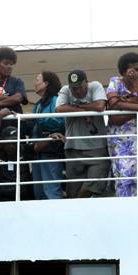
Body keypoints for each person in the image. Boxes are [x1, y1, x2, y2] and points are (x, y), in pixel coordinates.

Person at [106, 52, 138, 197]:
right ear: (123, 71)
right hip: (120, 139)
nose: (135, 72)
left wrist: (135, 85)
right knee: (124, 173)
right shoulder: (114, 82)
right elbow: (113, 103)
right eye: (132, 70)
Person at [56, 69, 110, 198]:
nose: (77, 91)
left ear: (87, 82)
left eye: (80, 87)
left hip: (97, 147)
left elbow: (100, 106)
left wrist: (77, 108)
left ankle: (78, 203)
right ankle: (76, 208)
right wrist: (85, 109)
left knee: (95, 183)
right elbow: (59, 108)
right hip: (73, 148)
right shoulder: (65, 90)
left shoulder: (95, 86)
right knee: (73, 190)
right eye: (74, 88)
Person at [30, 71, 66, 199]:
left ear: (46, 84)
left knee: (51, 191)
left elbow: (59, 121)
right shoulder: (39, 104)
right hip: (38, 149)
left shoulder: (56, 100)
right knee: (39, 192)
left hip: (51, 150)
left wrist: (36, 119)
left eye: (37, 80)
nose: (35, 83)